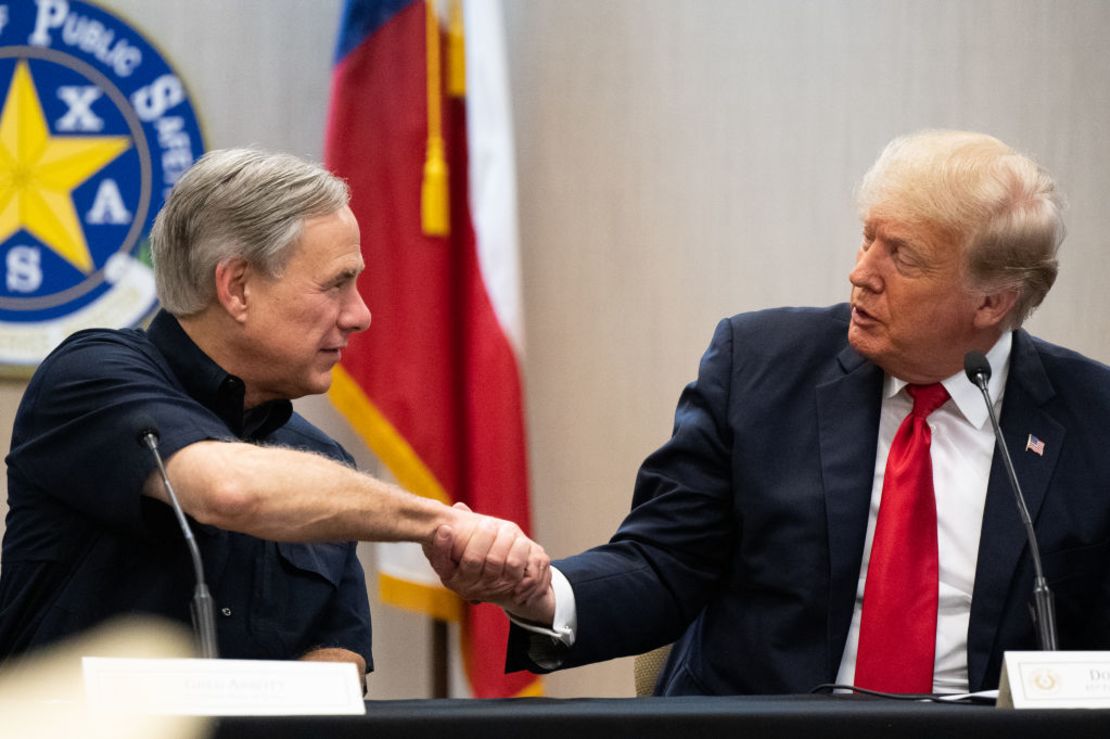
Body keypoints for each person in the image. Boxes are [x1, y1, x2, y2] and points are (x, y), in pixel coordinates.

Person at [427, 130, 1110, 695]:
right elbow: (664, 563)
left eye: (901, 255)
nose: (861, 272)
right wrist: (542, 591)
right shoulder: (758, 368)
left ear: (991, 302)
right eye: (868, 237)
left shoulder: (1093, 420)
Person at [0, 149, 549, 680]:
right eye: (337, 283)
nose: (361, 315)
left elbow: (339, 658)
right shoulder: (90, 373)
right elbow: (229, 489)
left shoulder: (321, 462)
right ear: (236, 287)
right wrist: (440, 523)